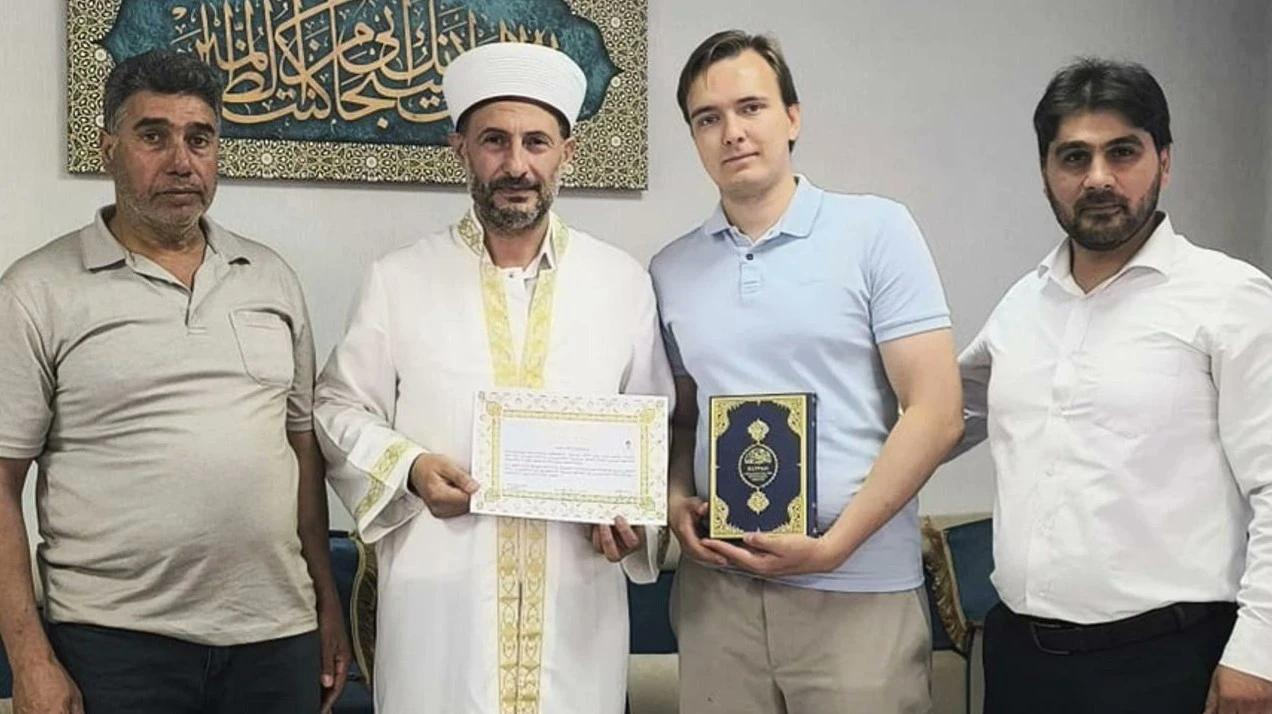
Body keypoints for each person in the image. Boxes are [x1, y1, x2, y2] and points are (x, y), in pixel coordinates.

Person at [314, 42, 674, 714]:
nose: (516, 165)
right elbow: (337, 409)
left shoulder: (621, 284)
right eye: (493, 141)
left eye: (536, 142)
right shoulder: (398, 280)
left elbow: (654, 436)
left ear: (567, 152)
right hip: (440, 620)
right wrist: (411, 468)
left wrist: (632, 522)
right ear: (460, 150)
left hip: (576, 612)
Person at [0, 49, 348, 714]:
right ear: (108, 149)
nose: (181, 161)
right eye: (153, 136)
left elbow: (302, 450)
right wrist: (29, 659)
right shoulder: (36, 291)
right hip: (115, 646)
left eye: (199, 139)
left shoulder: (269, 277)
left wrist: (325, 602)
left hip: (275, 638)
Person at [649, 30, 963, 714]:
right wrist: (674, 500)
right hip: (718, 601)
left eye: (751, 107)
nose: (732, 131)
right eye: (708, 118)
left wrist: (834, 546)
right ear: (695, 138)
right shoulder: (670, 270)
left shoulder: (877, 231)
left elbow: (936, 411)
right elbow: (681, 419)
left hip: (858, 596)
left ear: (792, 116)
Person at [956, 57, 1272, 714]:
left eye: (1122, 152)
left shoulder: (1230, 299)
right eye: (1074, 157)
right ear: (1045, 174)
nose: (1098, 177)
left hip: (1166, 666)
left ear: (1164, 161)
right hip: (1019, 664)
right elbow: (940, 416)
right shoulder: (1022, 305)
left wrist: (1257, 655)